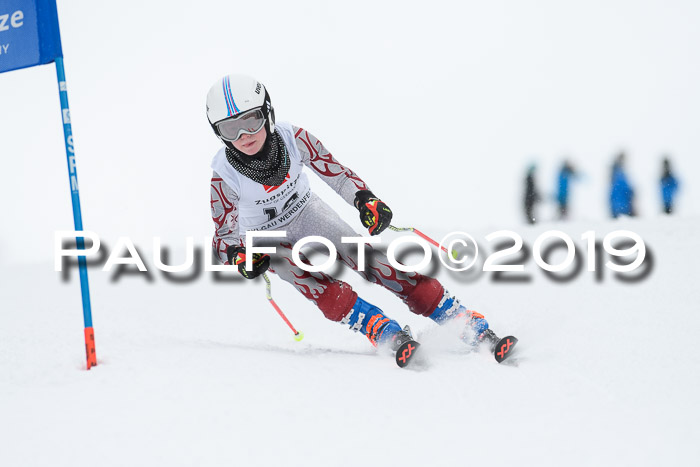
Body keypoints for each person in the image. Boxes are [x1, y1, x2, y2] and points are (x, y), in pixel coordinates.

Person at [207, 74, 497, 358]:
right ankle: (379, 328)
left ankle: (460, 319)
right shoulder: (224, 175)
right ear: (218, 132)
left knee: (369, 259)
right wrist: (238, 255)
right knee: (300, 273)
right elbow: (223, 238)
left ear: (268, 113)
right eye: (230, 129)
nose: (244, 136)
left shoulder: (294, 139)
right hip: (264, 237)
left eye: (251, 120)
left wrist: (364, 200)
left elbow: (339, 175)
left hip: (305, 211)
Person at [609, 152, 635, 218]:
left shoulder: (615, 173)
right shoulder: (619, 173)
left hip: (618, 207)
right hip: (623, 207)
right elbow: (623, 189)